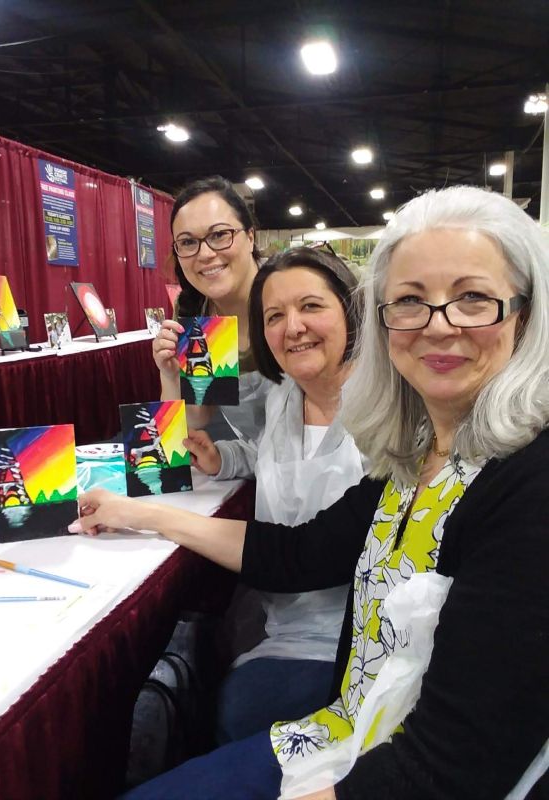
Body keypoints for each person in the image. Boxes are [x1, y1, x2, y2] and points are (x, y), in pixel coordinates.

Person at [70, 185, 549, 800]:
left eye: (473, 298)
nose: (438, 324)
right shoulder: (407, 454)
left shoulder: (526, 484)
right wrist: (142, 512)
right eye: (408, 301)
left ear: (527, 315)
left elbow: (455, 763)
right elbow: (298, 552)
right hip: (349, 727)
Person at [184, 246, 364, 743]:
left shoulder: (385, 408)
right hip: (283, 617)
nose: (293, 327)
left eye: (311, 306)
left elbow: (311, 550)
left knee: (240, 713)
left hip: (360, 633)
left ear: (349, 310)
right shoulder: (286, 394)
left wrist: (158, 517)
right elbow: (266, 453)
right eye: (275, 316)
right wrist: (223, 458)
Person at [153, 175, 270, 441]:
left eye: (219, 235)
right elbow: (196, 417)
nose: (205, 254)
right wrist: (170, 376)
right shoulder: (196, 312)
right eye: (188, 242)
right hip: (256, 464)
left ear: (250, 237)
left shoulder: (288, 296)